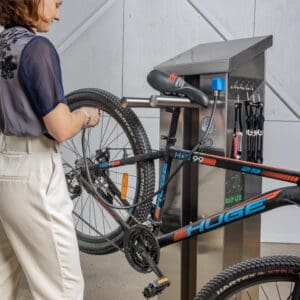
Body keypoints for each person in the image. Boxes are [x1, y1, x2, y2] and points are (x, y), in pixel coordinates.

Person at [0, 0, 100, 299]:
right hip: (35, 173)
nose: (58, 14)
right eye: (55, 4)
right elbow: (59, 127)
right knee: (63, 289)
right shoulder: (37, 48)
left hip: (4, 168)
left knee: (3, 277)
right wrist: (84, 115)